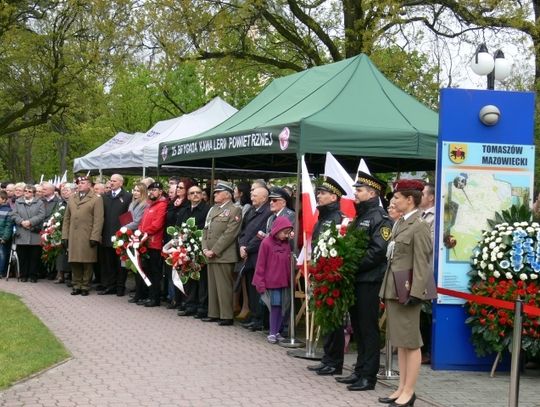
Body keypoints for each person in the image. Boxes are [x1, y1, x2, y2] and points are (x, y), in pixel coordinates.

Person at [379, 179, 436, 407]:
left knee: (411, 343)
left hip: (408, 289)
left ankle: (409, 392)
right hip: (396, 287)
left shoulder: (418, 225)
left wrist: (416, 292)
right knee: (401, 342)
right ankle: (402, 387)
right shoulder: (402, 223)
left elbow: (422, 261)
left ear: (409, 200)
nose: (394, 201)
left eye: (397, 198)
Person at [335, 171, 392, 391]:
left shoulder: (380, 218)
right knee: (357, 327)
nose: (355, 194)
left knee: (368, 328)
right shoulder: (361, 216)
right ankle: (359, 370)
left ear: (372, 192)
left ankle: (369, 376)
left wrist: (351, 267)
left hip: (369, 280)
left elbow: (378, 251)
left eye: (359, 190)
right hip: (357, 279)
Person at [307, 176, 346, 376]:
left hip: (332, 275)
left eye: (322, 193)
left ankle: (335, 361)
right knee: (325, 318)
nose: (318, 196)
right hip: (321, 273)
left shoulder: (338, 219)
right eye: (318, 193)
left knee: (334, 319)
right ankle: (327, 358)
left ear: (333, 197)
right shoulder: (323, 217)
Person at [201, 181, 243, 326]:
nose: (215, 194)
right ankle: (213, 313)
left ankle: (226, 315)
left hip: (223, 255)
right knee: (212, 285)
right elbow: (206, 230)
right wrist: (205, 248)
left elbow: (230, 234)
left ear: (227, 195)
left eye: (218, 192)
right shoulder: (213, 209)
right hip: (210, 252)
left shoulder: (234, 210)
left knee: (224, 286)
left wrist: (215, 250)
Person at [252, 216, 293, 343]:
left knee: (283, 307)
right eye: (284, 232)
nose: (286, 236)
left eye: (288, 233)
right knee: (275, 306)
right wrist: (260, 281)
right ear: (277, 230)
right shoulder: (266, 243)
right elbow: (260, 264)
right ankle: (272, 332)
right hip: (272, 282)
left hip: (284, 282)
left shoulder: (287, 244)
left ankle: (278, 331)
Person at [61, 176, 104, 296]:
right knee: (74, 261)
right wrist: (65, 236)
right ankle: (76, 285)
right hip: (73, 235)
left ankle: (85, 286)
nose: (79, 185)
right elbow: (66, 219)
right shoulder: (72, 198)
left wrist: (95, 237)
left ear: (89, 185)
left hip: (87, 235)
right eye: (78, 183)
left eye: (83, 183)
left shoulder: (96, 199)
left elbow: (98, 220)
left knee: (87, 262)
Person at [237, 186, 272, 326]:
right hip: (247, 254)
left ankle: (260, 319)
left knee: (258, 288)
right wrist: (241, 246)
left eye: (255, 195)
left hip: (257, 254)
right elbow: (243, 231)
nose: (252, 198)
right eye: (251, 195)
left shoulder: (268, 213)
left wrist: (247, 248)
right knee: (250, 287)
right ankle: (254, 315)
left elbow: (261, 235)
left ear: (264, 198)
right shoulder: (252, 211)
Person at [176, 184, 210, 318]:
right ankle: (190, 304)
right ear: (188, 196)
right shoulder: (184, 211)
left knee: (201, 279)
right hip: (186, 248)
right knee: (189, 277)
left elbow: (206, 228)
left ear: (202, 195)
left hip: (200, 249)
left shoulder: (207, 210)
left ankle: (202, 307)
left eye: (198, 192)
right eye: (192, 193)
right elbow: (178, 226)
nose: (195, 195)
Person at [99, 174, 132, 296]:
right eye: (110, 180)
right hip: (107, 234)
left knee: (120, 263)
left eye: (114, 181)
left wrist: (125, 234)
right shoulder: (104, 197)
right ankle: (110, 285)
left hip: (121, 236)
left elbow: (128, 217)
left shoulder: (128, 197)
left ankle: (120, 287)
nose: (111, 183)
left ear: (121, 183)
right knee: (109, 262)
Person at [137, 181, 168, 307]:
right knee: (148, 270)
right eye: (150, 190)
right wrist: (139, 231)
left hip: (154, 243)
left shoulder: (162, 205)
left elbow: (157, 224)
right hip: (146, 242)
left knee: (155, 272)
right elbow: (143, 222)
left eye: (154, 190)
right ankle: (150, 296)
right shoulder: (150, 205)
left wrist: (144, 232)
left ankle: (155, 298)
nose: (151, 192)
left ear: (160, 192)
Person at [12, 184, 46, 283]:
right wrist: (22, 221)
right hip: (22, 232)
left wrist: (30, 222)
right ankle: (23, 275)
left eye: (29, 191)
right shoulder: (18, 202)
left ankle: (33, 275)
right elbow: (14, 214)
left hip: (34, 233)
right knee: (22, 256)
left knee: (34, 256)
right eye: (25, 191)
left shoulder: (39, 202)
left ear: (34, 194)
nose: (27, 193)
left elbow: (41, 215)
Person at [419, 182, 436, 365]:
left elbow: (428, 244)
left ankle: (426, 351)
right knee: (418, 313)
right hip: (417, 269)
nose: (420, 196)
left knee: (425, 313)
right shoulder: (419, 215)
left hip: (427, 270)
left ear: (431, 197)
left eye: (422, 193)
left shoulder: (434, 216)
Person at [125, 183, 149, 304]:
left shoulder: (145, 205)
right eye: (134, 190)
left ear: (143, 193)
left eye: (138, 191)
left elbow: (137, 221)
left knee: (140, 265)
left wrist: (124, 227)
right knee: (134, 265)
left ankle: (141, 293)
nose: (134, 193)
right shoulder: (132, 203)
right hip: (131, 235)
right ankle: (138, 292)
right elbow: (128, 218)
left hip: (139, 237)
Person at [0, 190, 14, 278]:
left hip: (2, 238)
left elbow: (9, 226)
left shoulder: (9, 211)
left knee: (2, 255)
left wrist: (5, 237)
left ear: (4, 199)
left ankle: (1, 272)